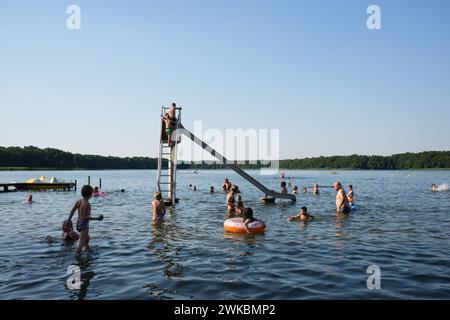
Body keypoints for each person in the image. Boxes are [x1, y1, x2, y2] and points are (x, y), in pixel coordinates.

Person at [65, 185, 104, 254]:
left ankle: (87, 248)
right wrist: (97, 218)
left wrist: (69, 220)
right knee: (82, 241)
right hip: (84, 225)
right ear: (90, 194)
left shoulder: (79, 201)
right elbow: (84, 217)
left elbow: (72, 210)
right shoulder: (87, 204)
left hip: (78, 224)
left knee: (87, 238)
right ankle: (77, 255)